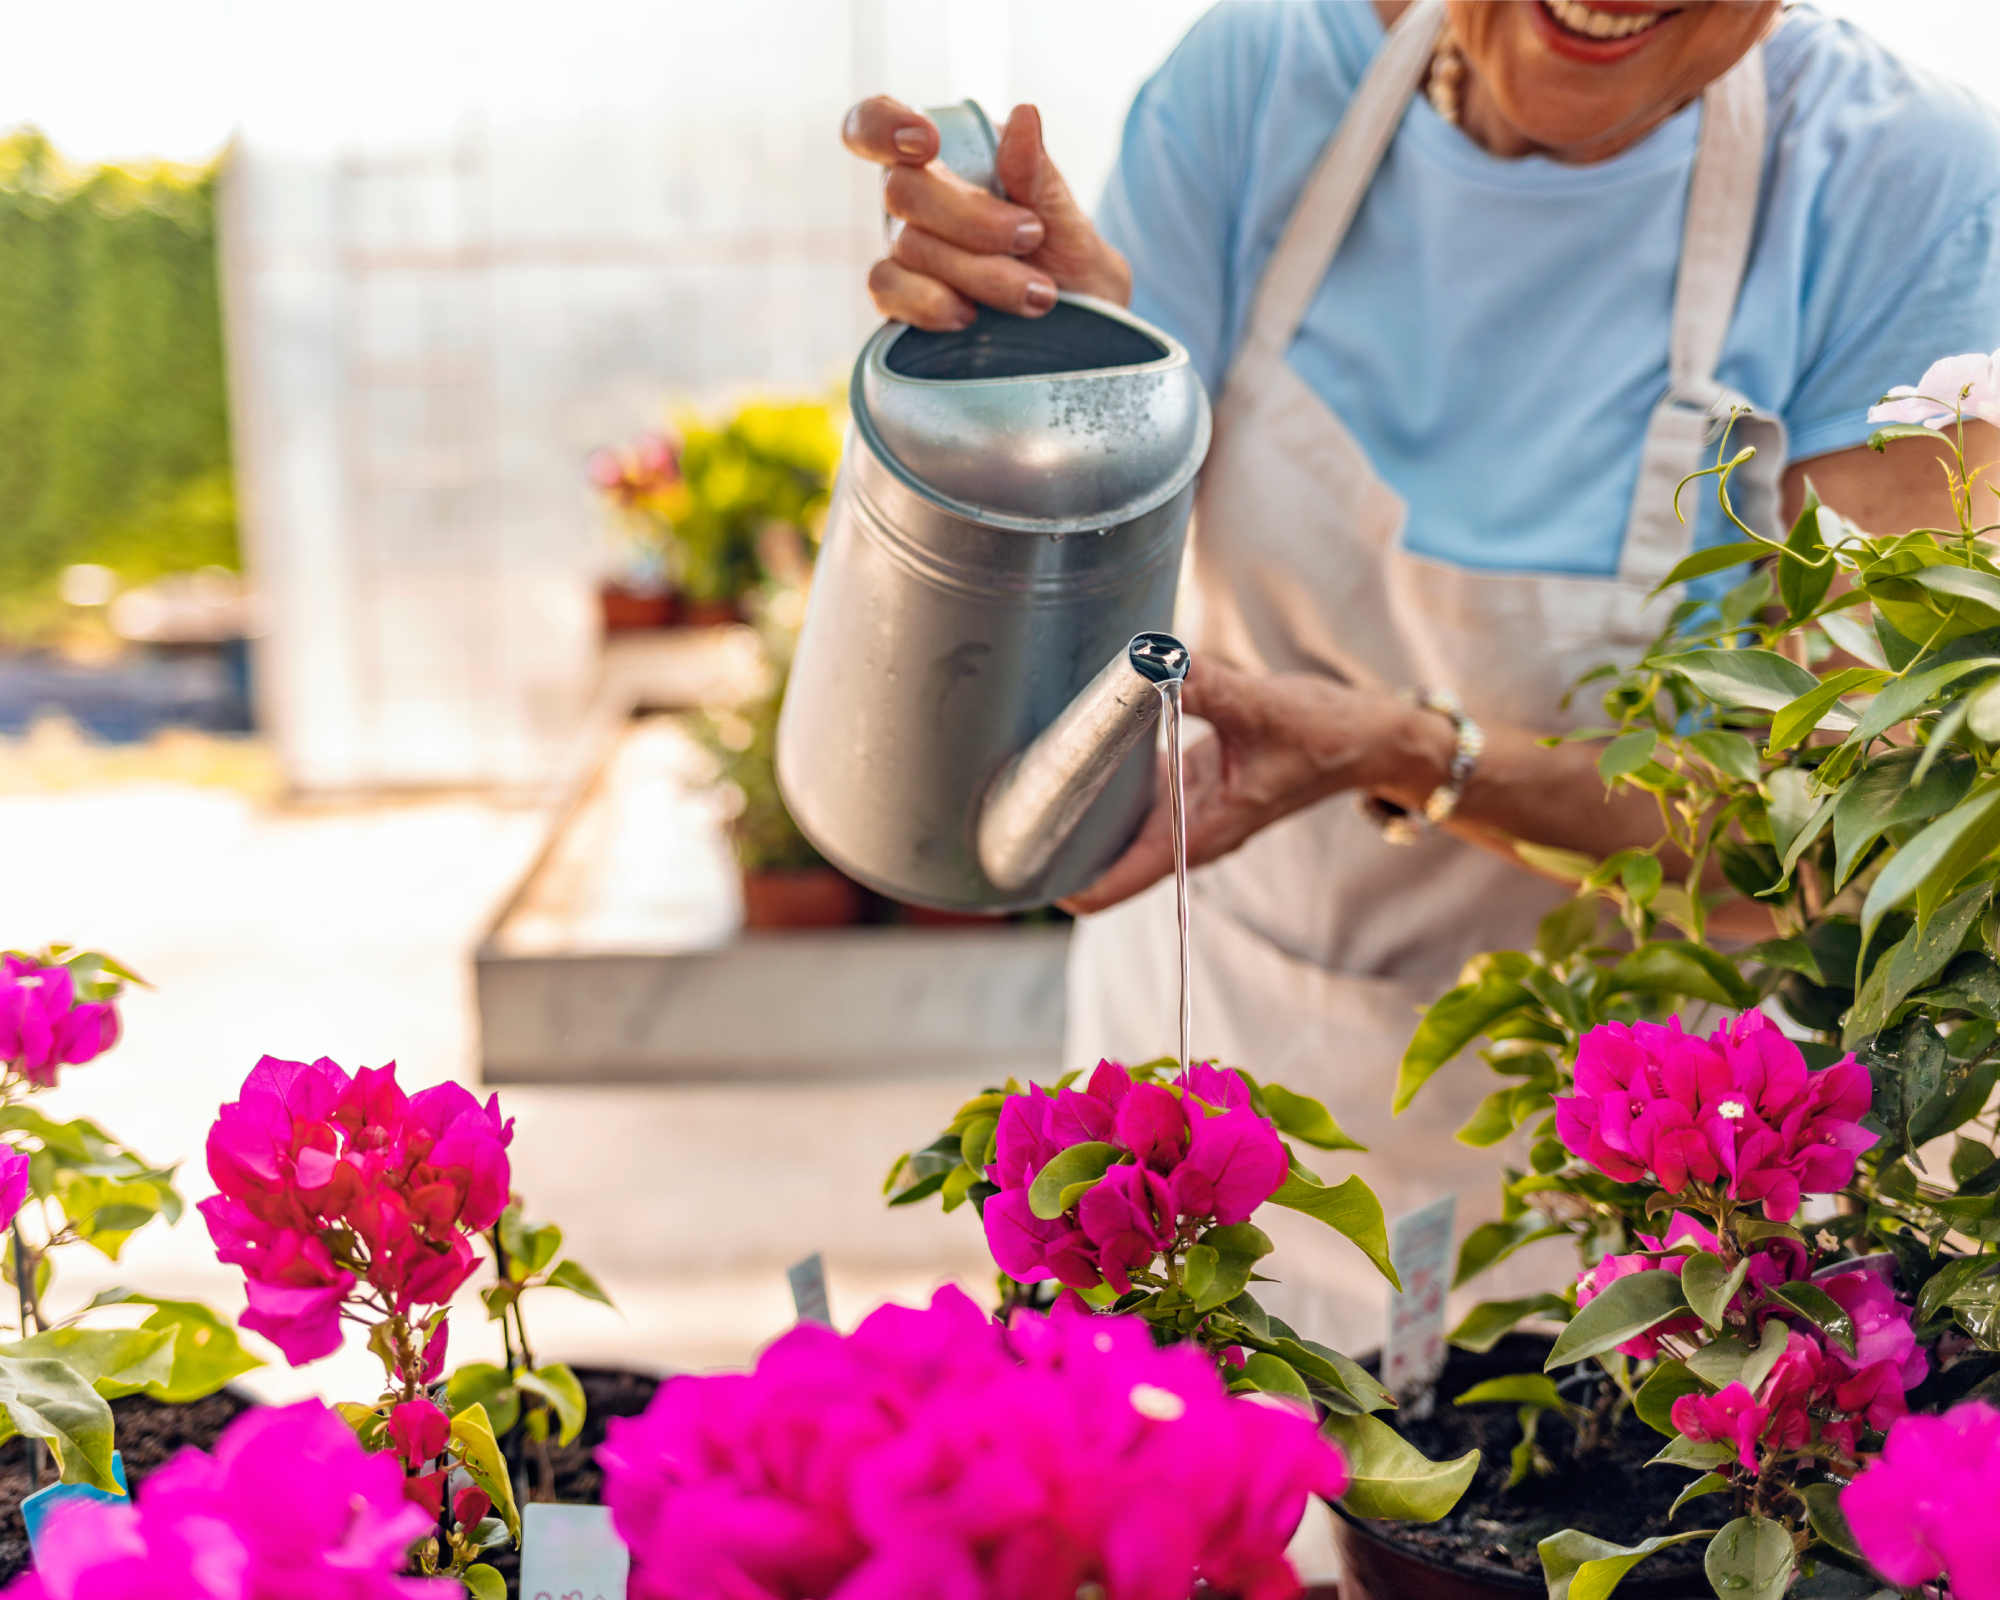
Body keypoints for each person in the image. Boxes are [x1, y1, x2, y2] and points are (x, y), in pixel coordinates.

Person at [843, 0, 2000, 1348]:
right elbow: (1059, 604)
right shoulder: (1257, 81)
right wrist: (1052, 380)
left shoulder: (1903, 186)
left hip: (1633, 1184)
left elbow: (1840, 855)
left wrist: (1408, 752)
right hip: (1217, 1050)